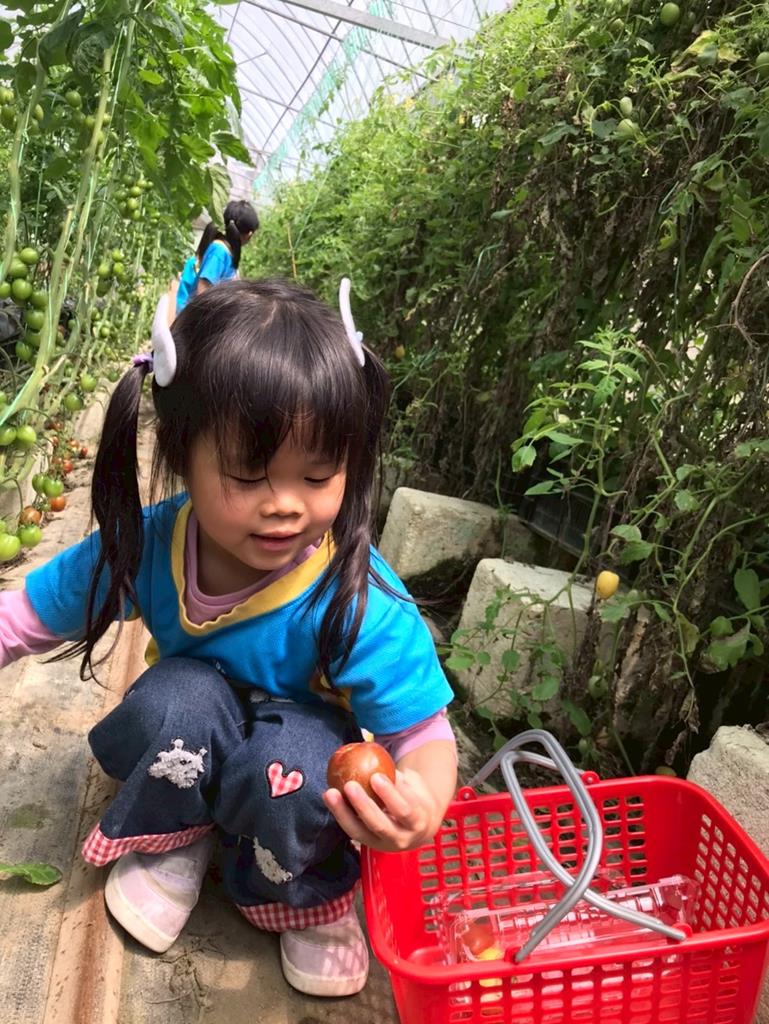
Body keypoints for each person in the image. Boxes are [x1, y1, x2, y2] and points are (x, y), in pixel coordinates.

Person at [0, 277, 457, 998]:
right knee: (170, 702)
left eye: (318, 475)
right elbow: (27, 616)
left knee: (298, 759)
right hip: (193, 735)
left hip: (296, 766)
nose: (285, 506)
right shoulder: (148, 546)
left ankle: (303, 886)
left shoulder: (356, 597)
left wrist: (422, 805)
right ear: (182, 453)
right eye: (248, 474)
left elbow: (422, 733)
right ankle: (179, 830)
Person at [175, 199, 259, 314]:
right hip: (194, 317)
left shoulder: (227, 252)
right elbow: (203, 287)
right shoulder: (219, 252)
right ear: (249, 234)